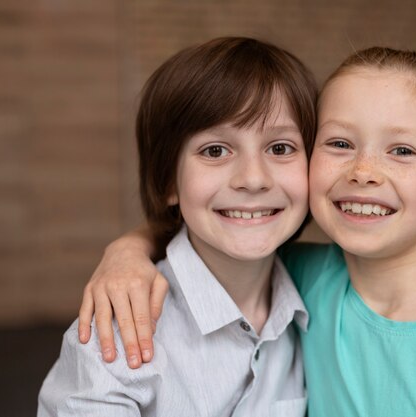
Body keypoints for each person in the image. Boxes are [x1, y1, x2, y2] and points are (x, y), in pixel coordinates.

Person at [78, 46, 416, 416]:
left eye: (401, 151)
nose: (364, 171)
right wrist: (127, 252)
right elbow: (213, 230)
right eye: (339, 142)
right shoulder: (299, 280)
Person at [38, 36, 317, 416]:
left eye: (280, 148)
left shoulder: (322, 296)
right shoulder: (118, 338)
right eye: (215, 150)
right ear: (169, 180)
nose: (253, 179)